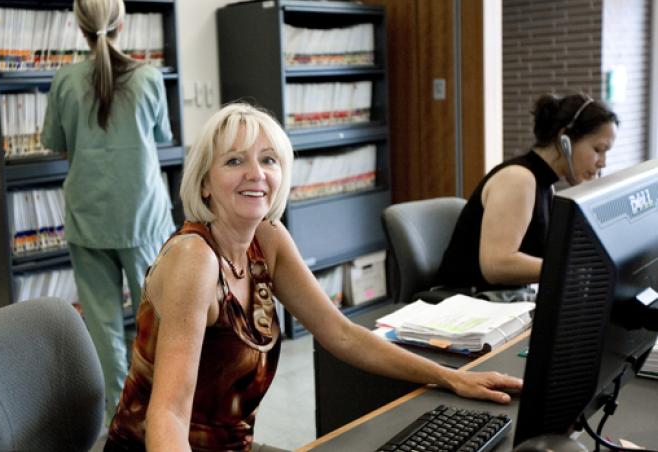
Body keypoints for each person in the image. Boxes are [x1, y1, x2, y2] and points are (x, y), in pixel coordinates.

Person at [104, 103, 523, 451]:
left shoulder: (267, 239)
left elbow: (340, 334)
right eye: (235, 161)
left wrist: (452, 377)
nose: (257, 173)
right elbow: (169, 415)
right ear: (205, 184)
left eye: (268, 160)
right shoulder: (194, 259)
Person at [40, 0, 174, 421]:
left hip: (89, 216)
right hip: (143, 217)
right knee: (159, 321)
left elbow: (56, 142)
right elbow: (162, 135)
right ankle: (165, 411)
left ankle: (124, 416)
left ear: (78, 27)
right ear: (121, 23)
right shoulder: (149, 79)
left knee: (103, 326)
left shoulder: (64, 81)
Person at [437, 93, 618, 293]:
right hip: (464, 304)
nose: (603, 162)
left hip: (498, 301)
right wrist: (568, 269)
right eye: (598, 149)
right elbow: (496, 266)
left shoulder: (544, 185)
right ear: (564, 139)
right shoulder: (518, 179)